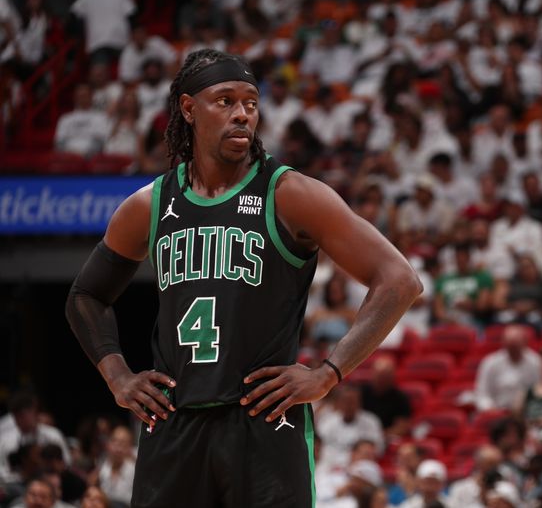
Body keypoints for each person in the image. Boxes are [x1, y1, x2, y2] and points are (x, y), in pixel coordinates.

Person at [65, 49, 422, 507]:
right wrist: (117, 378)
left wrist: (329, 373)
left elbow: (399, 280)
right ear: (188, 109)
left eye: (251, 103)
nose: (242, 114)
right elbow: (85, 296)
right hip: (174, 424)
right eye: (226, 101)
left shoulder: (290, 193)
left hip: (264, 422)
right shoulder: (149, 205)